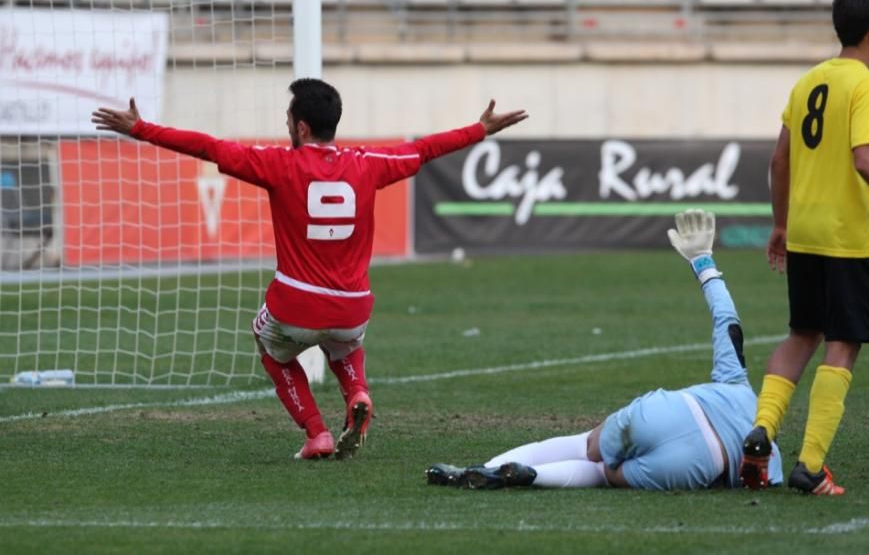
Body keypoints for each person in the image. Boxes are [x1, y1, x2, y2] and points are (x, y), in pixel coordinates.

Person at [92, 78, 528, 461]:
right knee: (342, 341)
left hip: (295, 305)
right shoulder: (370, 164)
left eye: (288, 117)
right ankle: (357, 392)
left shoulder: (276, 163)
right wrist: (480, 129)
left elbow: (207, 146)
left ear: (301, 126)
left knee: (269, 344)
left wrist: (141, 129)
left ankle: (316, 432)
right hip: (354, 307)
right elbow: (424, 149)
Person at [426, 210, 784, 491]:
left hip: (669, 412)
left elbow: (727, 321)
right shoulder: (774, 456)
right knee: (604, 474)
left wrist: (703, 262)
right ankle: (532, 476)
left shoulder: (738, 385)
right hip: (701, 462)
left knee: (586, 446)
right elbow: (770, 480)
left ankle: (481, 468)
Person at [740, 0, 869, 496]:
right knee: (842, 343)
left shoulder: (809, 81)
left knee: (801, 333)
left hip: (805, 232)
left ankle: (762, 430)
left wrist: (780, 224)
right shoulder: (867, 86)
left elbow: (779, 160)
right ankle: (809, 465)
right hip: (852, 238)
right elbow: (866, 159)